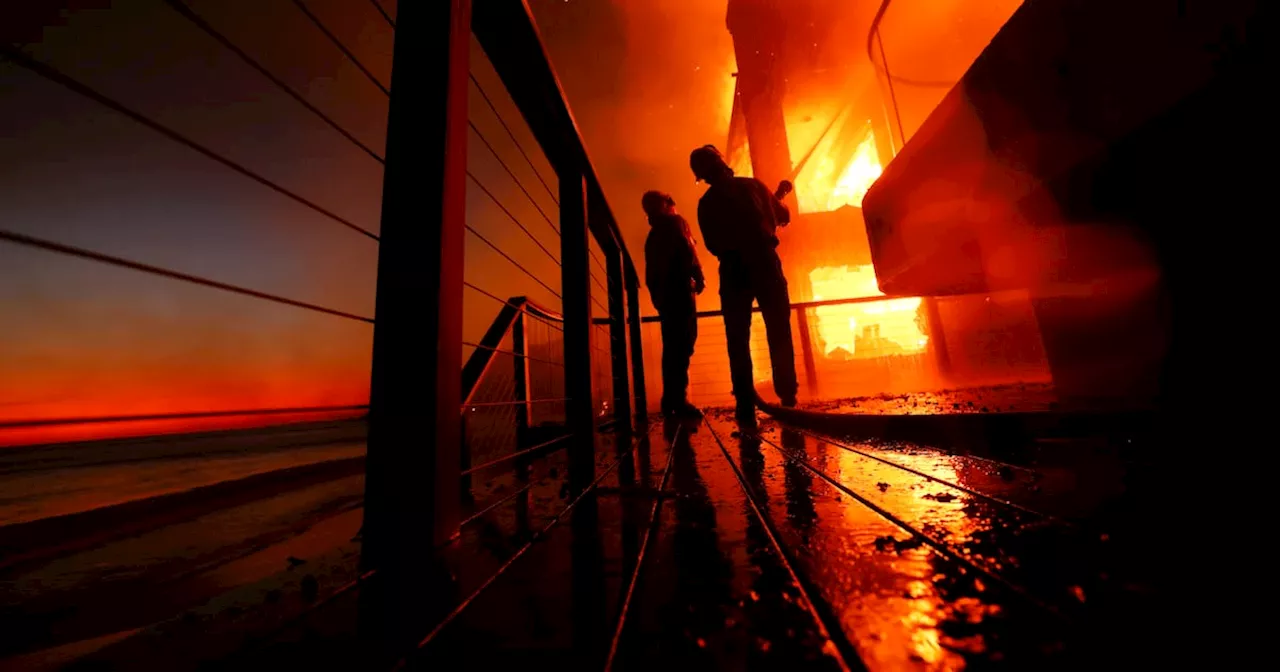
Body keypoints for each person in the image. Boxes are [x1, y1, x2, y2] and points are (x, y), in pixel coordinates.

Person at [689, 144, 798, 418]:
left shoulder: (707, 203)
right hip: (764, 260)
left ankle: (745, 402)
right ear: (723, 164)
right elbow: (782, 216)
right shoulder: (754, 186)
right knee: (778, 328)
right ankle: (787, 396)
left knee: (737, 336)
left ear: (703, 176)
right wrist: (774, 204)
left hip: (732, 267)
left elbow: (712, 243)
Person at [642, 190, 706, 419]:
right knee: (684, 343)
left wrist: (657, 298)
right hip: (680, 292)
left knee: (672, 347)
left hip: (666, 298)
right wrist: (698, 275)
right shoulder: (676, 222)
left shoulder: (653, 236)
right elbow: (687, 248)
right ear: (669, 203)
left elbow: (651, 273)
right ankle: (678, 400)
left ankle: (671, 399)